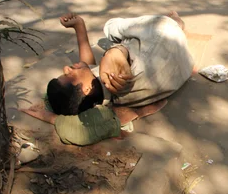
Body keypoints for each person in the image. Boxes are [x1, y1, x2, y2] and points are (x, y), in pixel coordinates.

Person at [46, 11, 194, 116]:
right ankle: (177, 22)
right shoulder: (120, 78)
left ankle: (177, 25)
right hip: (164, 31)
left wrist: (79, 26)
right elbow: (123, 61)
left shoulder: (104, 94)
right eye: (69, 75)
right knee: (111, 27)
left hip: (183, 62)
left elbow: (88, 67)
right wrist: (115, 52)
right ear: (85, 89)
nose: (66, 68)